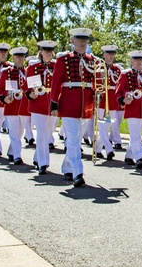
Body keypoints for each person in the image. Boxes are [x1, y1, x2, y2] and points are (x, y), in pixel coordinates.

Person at [49, 28, 97, 187]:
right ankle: (78, 172)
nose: (83, 43)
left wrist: (97, 99)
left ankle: (67, 167)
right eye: (79, 40)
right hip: (69, 103)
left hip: (86, 105)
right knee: (74, 137)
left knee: (75, 139)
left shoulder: (92, 60)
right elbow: (56, 82)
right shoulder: (64, 59)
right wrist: (54, 102)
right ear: (73, 41)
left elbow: (95, 82)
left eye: (85, 40)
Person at [114, 50, 142, 167]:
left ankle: (129, 155)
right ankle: (139, 157)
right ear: (131, 61)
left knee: (137, 134)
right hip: (132, 107)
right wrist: (123, 99)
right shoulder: (126, 74)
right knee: (135, 134)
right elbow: (118, 90)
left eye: (141, 60)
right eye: (136, 60)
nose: (139, 62)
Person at [27, 41, 56, 174]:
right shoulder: (34, 67)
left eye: (50, 51)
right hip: (38, 103)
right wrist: (30, 93)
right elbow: (28, 85)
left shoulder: (56, 66)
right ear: (41, 52)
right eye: (46, 51)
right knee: (42, 132)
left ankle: (37, 157)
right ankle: (43, 163)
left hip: (52, 103)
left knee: (47, 133)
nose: (48, 54)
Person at [0, 47, 31, 165]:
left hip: (24, 107)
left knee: (20, 132)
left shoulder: (28, 72)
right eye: (18, 56)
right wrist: (4, 98)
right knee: (14, 133)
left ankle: (12, 151)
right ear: (13, 58)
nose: (20, 59)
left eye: (22, 56)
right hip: (11, 106)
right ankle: (17, 155)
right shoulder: (7, 72)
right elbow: (0, 89)